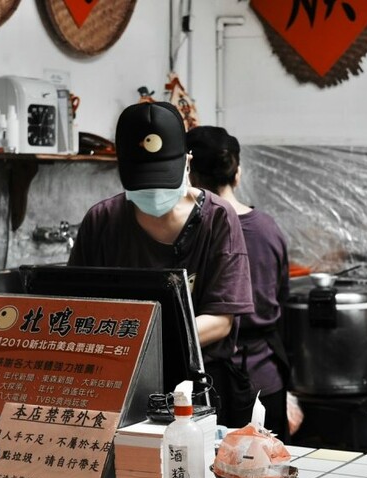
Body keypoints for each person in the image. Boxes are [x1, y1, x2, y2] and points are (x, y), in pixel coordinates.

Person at [68, 102, 254, 427]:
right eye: (143, 182)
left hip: (197, 387)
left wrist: (142, 340)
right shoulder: (102, 220)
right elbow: (74, 307)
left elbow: (221, 321)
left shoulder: (218, 219)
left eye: (162, 180)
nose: (154, 193)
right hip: (117, 383)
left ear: (187, 163)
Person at [186, 126, 291, 441]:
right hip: (265, 379)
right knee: (267, 467)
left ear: (190, 173)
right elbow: (281, 299)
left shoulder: (190, 232)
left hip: (209, 384)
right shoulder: (268, 228)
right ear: (237, 173)